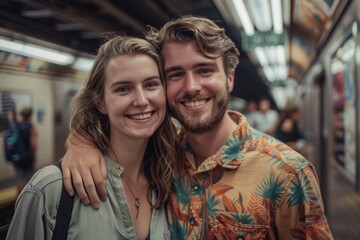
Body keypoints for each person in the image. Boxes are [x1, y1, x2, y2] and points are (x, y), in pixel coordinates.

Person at [61, 16, 333, 239]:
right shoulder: (161, 155)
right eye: (176, 74)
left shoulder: (287, 172)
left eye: (205, 70)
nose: (191, 87)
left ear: (229, 78)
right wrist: (81, 141)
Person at [6, 35, 178, 240]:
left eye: (151, 85)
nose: (141, 100)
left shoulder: (170, 179)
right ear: (100, 102)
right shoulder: (51, 189)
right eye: (123, 89)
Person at [5, 107, 37, 195]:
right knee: (29, 180)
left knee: (20, 179)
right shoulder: (31, 127)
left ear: (21, 114)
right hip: (27, 158)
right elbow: (33, 145)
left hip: (17, 157)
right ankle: (25, 200)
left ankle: (18, 199)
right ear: (30, 115)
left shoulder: (16, 126)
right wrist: (33, 157)